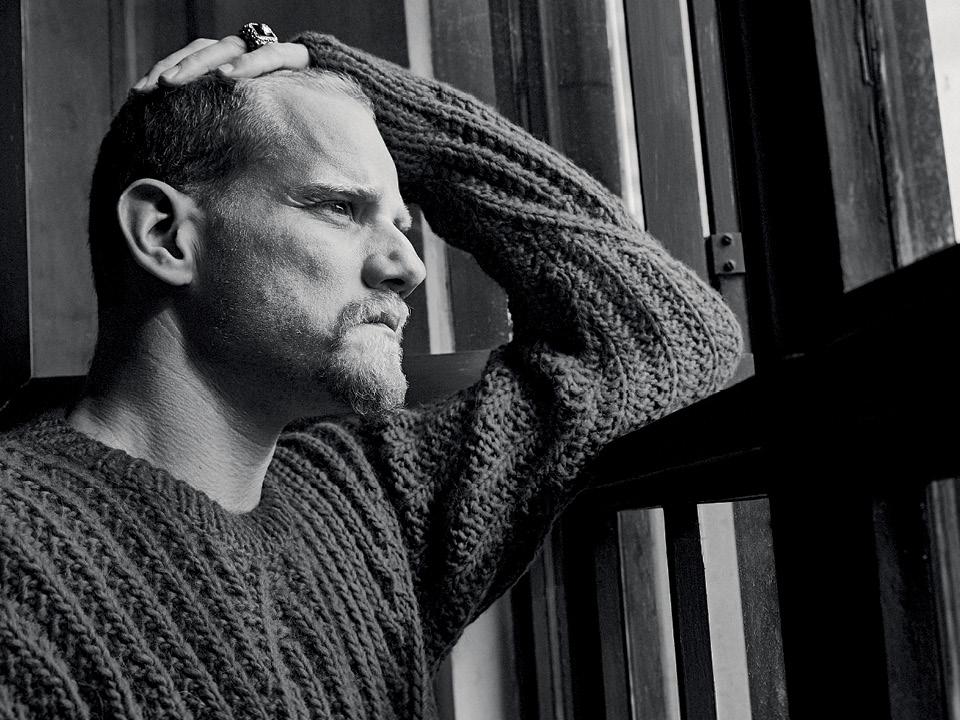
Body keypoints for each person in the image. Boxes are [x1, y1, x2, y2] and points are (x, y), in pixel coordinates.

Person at [0, 26, 742, 719]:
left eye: (402, 223)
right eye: (338, 207)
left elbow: (662, 332)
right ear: (165, 235)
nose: (408, 267)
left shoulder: (374, 506)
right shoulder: (20, 547)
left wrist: (369, 99)